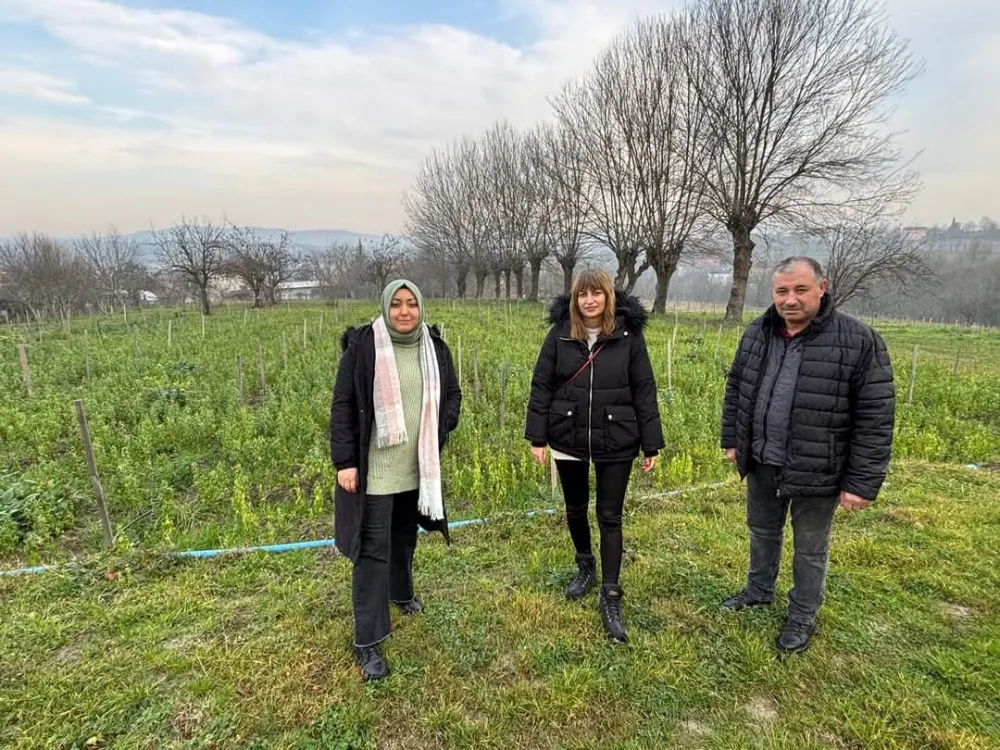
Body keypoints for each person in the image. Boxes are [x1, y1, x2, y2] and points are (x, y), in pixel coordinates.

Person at [720, 256, 895, 654]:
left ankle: (801, 615)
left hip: (820, 467)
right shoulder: (758, 332)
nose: (790, 299)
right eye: (782, 291)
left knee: (810, 547)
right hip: (763, 458)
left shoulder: (858, 340)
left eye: (800, 289)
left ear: (822, 287)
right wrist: (734, 439)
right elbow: (737, 388)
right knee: (762, 531)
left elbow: (876, 417)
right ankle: (759, 590)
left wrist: (861, 483)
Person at [330, 280, 461, 681]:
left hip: (416, 467)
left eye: (412, 305)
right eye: (397, 305)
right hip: (376, 472)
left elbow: (453, 394)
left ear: (421, 308)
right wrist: (345, 461)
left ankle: (401, 593)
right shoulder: (363, 348)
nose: (405, 312)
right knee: (372, 552)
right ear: (386, 308)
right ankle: (367, 640)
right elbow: (343, 406)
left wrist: (440, 429)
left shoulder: (435, 347)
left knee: (405, 536)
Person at [525, 269, 664, 644]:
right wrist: (537, 437)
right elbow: (541, 385)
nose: (589, 300)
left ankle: (611, 594)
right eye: (583, 294)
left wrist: (651, 443)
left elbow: (644, 388)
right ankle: (584, 565)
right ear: (575, 299)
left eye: (596, 294)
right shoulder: (559, 335)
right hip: (567, 436)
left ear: (608, 297)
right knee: (574, 509)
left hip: (616, 437)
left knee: (610, 515)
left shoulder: (627, 337)